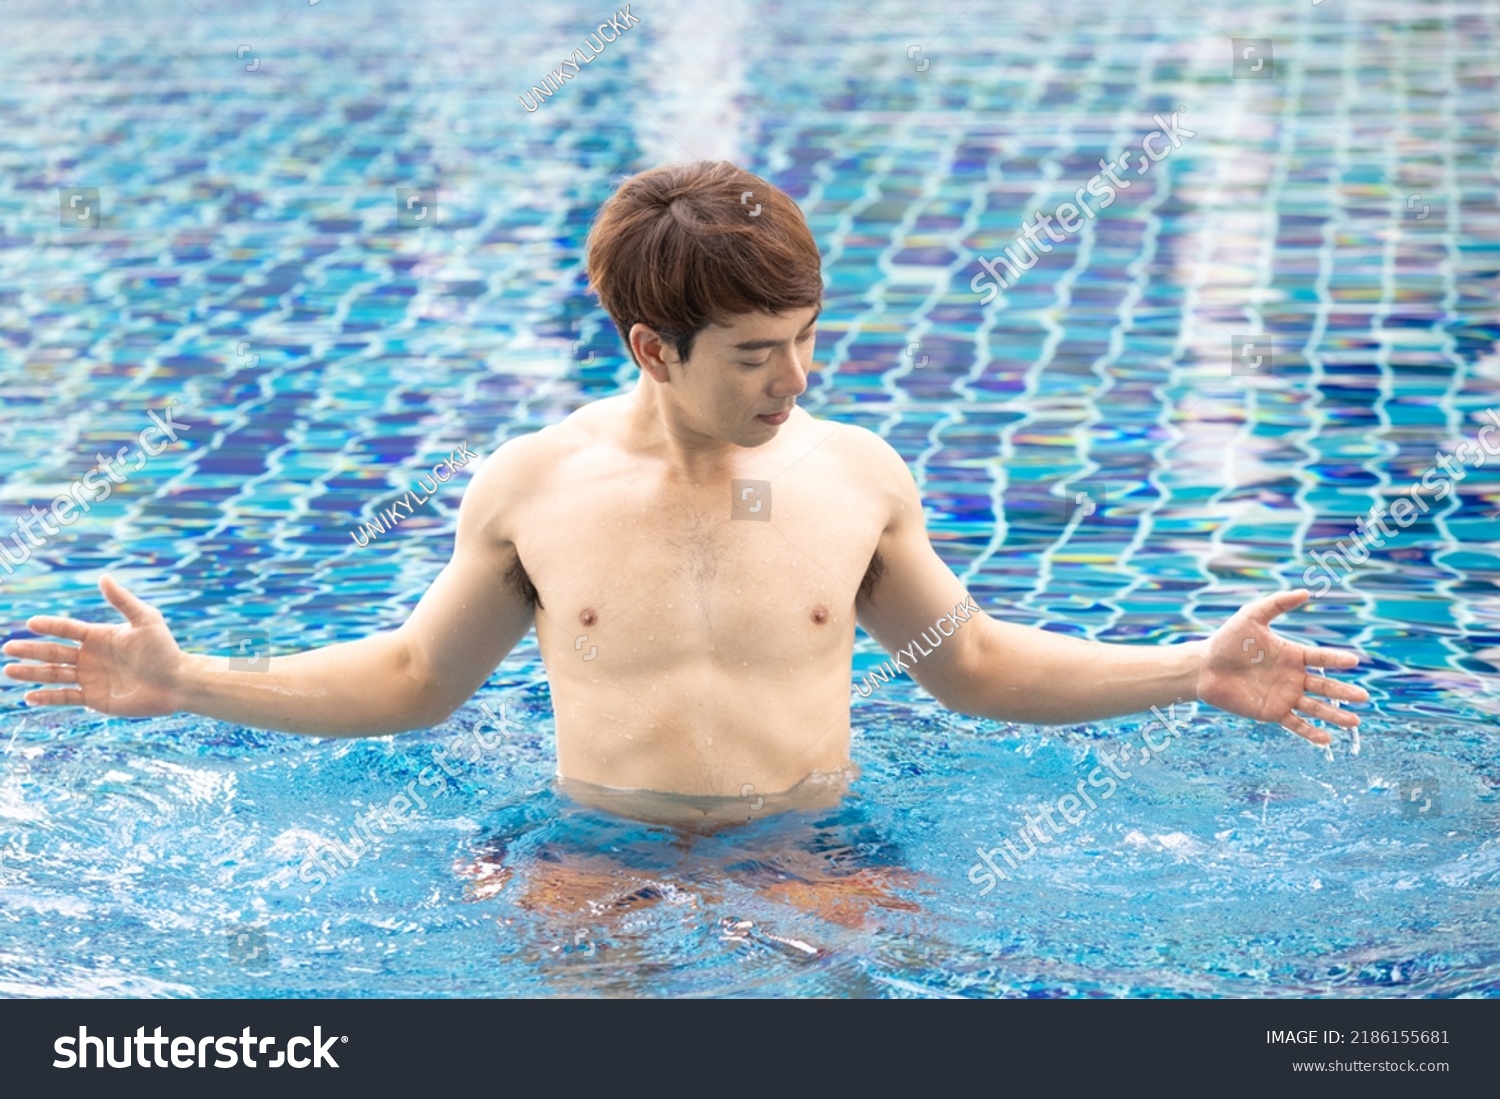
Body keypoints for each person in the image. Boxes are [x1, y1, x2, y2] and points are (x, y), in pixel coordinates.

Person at [1, 160, 1367, 922]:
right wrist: (191, 684)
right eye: (759, 356)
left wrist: (1193, 669)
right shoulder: (535, 489)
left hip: (821, 852)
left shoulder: (855, 479)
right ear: (653, 349)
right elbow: (417, 684)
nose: (799, 381)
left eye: (808, 338)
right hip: (590, 850)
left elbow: (974, 668)